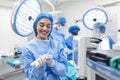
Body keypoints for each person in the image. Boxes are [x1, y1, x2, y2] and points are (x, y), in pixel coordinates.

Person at [22, 13, 68, 80]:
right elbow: (31, 77)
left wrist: (53, 63)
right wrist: (38, 68)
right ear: (36, 26)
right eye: (41, 25)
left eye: (48, 26)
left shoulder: (58, 45)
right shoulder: (27, 48)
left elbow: (64, 72)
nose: (44, 29)